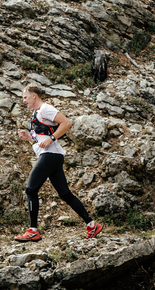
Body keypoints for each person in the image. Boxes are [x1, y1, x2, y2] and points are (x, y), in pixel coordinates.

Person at [15, 83, 103, 242]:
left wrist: (52, 138)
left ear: (34, 95)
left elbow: (66, 123)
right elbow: (43, 136)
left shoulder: (45, 109)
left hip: (50, 155)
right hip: (53, 156)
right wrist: (30, 138)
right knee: (65, 194)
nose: (23, 101)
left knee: (30, 190)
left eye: (25, 97)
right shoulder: (37, 113)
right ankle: (92, 225)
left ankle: (33, 230)